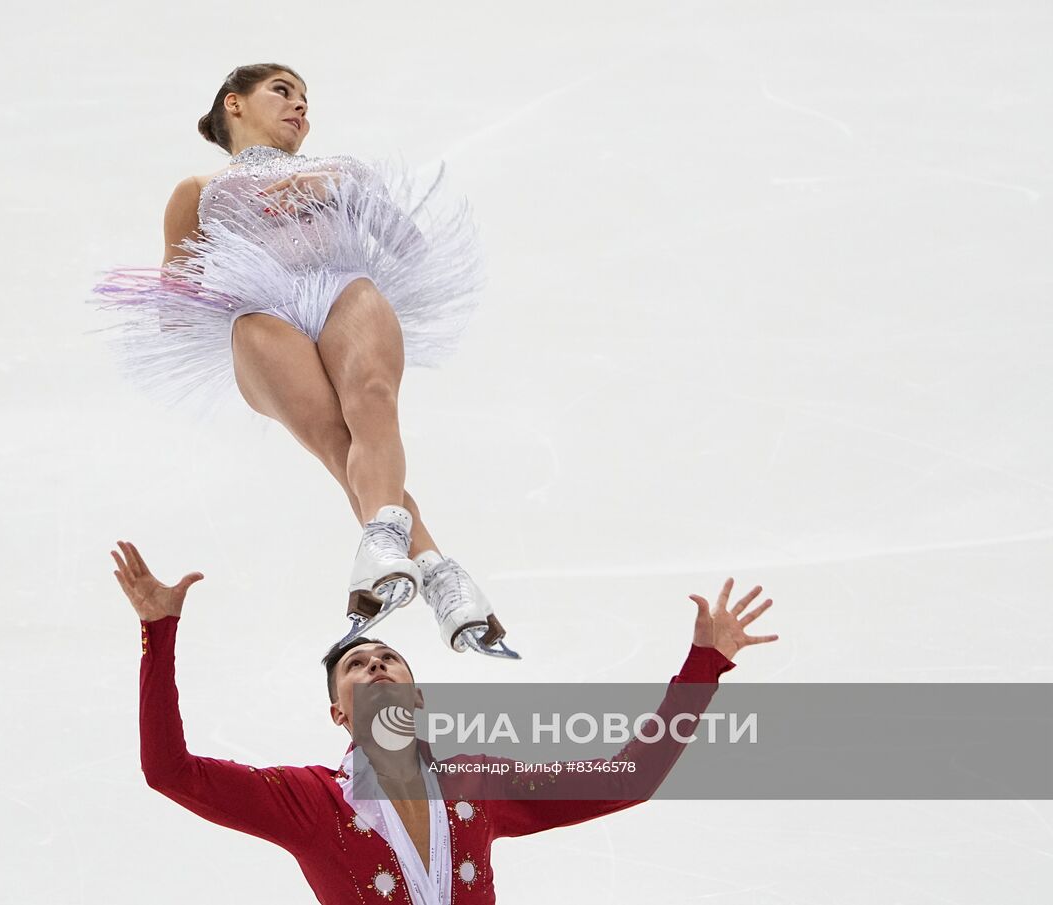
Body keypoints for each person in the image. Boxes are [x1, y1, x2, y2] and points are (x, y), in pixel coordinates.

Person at [92, 64, 512, 656]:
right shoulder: (198, 192)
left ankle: (408, 562)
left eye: (306, 100)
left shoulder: (339, 171)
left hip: (343, 288)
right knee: (338, 442)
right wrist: (217, 273)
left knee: (372, 404)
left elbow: (408, 248)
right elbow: (176, 309)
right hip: (263, 315)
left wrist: (333, 192)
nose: (300, 108)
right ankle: (441, 575)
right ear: (233, 105)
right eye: (282, 92)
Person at [112, 539, 779, 903]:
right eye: (357, 665)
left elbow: (631, 776)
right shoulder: (306, 802)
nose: (375, 665)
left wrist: (704, 663)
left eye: (389, 658)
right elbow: (169, 770)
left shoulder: (474, 784)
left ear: (416, 695)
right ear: (338, 712)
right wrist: (158, 630)